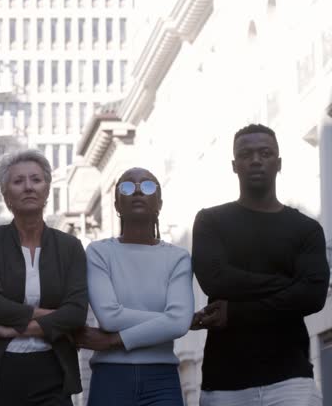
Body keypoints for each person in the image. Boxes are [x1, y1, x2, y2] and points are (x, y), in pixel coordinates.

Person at [191, 124, 329, 406]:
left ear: (278, 163)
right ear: (234, 165)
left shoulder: (306, 229)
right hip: (224, 384)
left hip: (291, 381)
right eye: (246, 154)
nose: (255, 160)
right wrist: (287, 285)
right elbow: (216, 280)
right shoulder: (210, 221)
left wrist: (236, 311)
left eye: (265, 153)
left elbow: (313, 297)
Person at [0, 149, 88, 406]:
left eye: (36, 179)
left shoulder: (70, 246)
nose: (28, 187)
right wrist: (50, 314)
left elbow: (76, 313)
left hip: (51, 369)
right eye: (18, 181)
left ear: (47, 190)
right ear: (6, 195)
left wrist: (11, 329)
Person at [73, 167, 193, 406]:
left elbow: (179, 322)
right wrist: (166, 320)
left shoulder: (178, 257)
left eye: (148, 186)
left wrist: (112, 341)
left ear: (159, 202)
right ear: (117, 204)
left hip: (162, 378)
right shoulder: (99, 252)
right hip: (110, 377)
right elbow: (109, 317)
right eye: (127, 187)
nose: (138, 191)